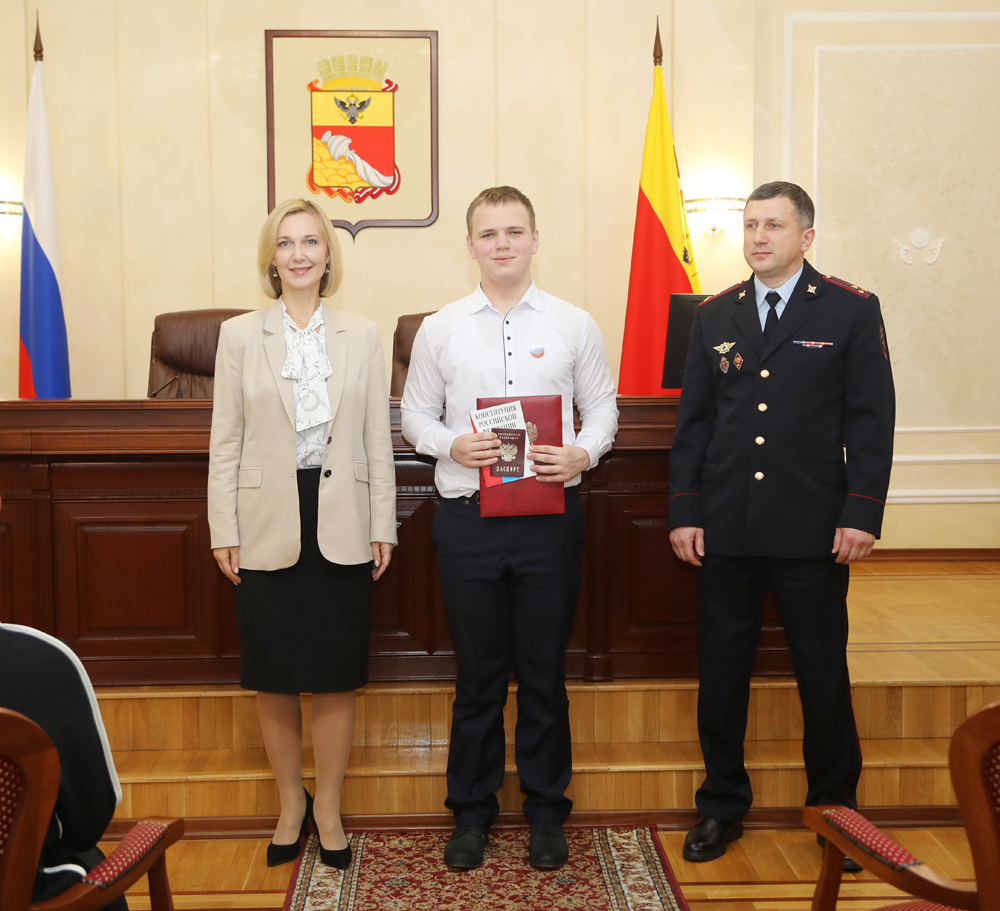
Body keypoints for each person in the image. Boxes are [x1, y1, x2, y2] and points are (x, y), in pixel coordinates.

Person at [668, 181, 895, 866]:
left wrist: (862, 512)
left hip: (812, 527)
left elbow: (871, 419)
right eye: (750, 225)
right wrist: (686, 509)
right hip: (728, 528)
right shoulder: (714, 315)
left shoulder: (852, 311)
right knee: (723, 673)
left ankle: (836, 810)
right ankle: (721, 806)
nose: (759, 237)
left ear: (806, 236)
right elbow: (695, 424)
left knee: (821, 672)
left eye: (773, 225)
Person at [400, 186, 618, 871]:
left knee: (545, 673)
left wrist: (583, 451)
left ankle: (547, 812)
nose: (502, 243)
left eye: (514, 231)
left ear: (533, 238)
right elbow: (414, 416)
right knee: (478, 675)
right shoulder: (439, 327)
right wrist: (448, 445)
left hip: (549, 521)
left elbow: (603, 410)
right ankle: (471, 813)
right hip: (467, 521)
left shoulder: (574, 323)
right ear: (470, 243)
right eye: (488, 233)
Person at [208, 198, 397, 870]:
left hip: (341, 513)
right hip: (265, 520)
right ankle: (291, 800)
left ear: (327, 256)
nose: (298, 254)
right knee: (276, 673)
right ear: (271, 258)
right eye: (285, 243)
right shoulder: (238, 336)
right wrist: (221, 527)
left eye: (310, 242)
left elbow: (378, 435)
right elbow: (225, 442)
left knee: (336, 673)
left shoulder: (362, 335)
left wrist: (383, 523)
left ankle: (329, 806)